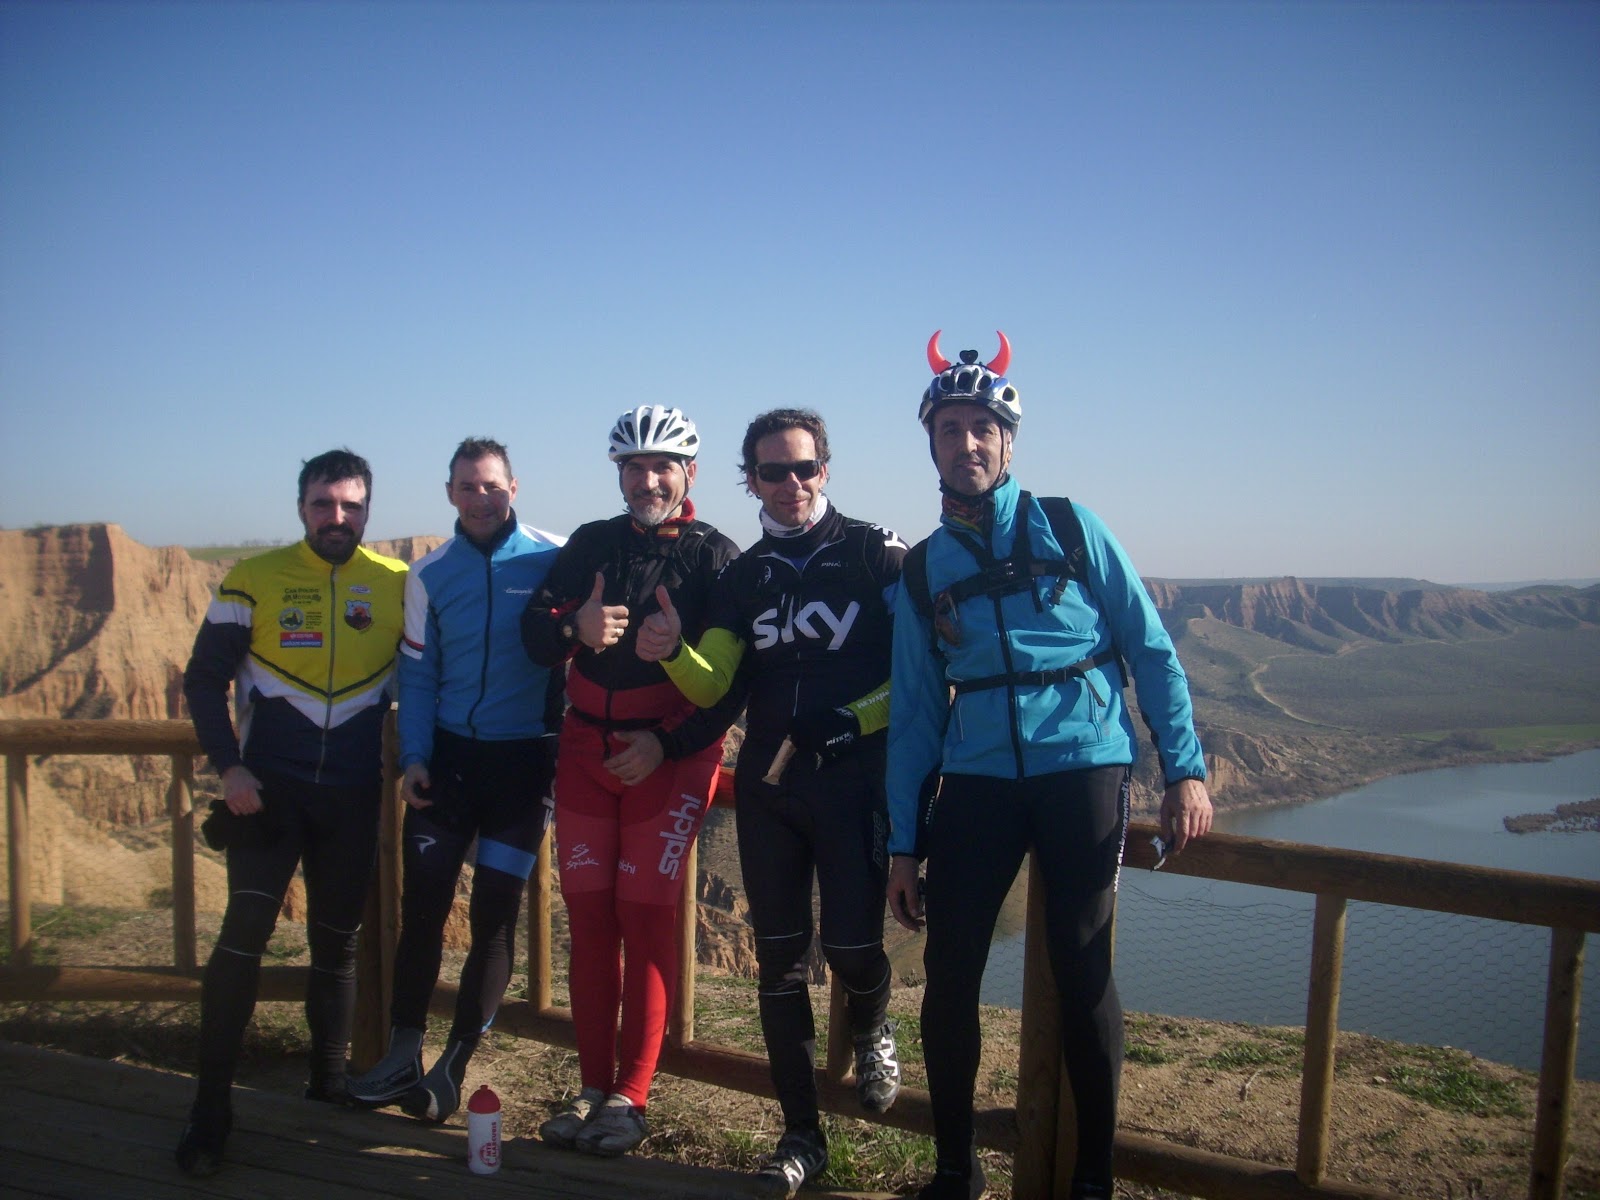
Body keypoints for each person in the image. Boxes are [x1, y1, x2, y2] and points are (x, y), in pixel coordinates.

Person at [885, 333, 1215, 1200]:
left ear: (1008, 440)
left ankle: (1091, 1181)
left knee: (1081, 967)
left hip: (1082, 770)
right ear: (932, 445)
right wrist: (902, 844)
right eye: (949, 430)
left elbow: (1150, 648)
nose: (967, 443)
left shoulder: (1070, 527)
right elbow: (915, 716)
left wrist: (1185, 768)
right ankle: (955, 1170)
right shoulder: (924, 571)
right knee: (950, 972)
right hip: (978, 780)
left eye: (982, 428)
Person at [636, 408, 905, 1197]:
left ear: (826, 469)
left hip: (853, 784)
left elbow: (922, 674)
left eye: (804, 468)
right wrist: (672, 655)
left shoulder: (876, 552)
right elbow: (715, 684)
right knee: (778, 966)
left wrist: (855, 719)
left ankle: (874, 1024)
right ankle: (800, 1135)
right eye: (772, 471)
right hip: (768, 789)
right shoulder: (743, 576)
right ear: (749, 479)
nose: (791, 484)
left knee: (851, 950)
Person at [519, 405, 744, 1158]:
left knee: (644, 920)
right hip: (585, 748)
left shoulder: (716, 558)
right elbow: (533, 634)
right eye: (634, 467)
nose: (648, 481)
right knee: (590, 922)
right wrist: (572, 629)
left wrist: (664, 743)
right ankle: (591, 1088)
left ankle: (631, 1097)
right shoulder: (591, 542)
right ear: (619, 474)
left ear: (690, 473)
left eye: (662, 467)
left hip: (667, 758)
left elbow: (730, 689)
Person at [176, 448, 408, 1175]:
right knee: (242, 940)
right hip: (267, 794)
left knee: (337, 946)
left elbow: (431, 678)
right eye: (322, 504)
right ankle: (210, 1113)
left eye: (350, 505)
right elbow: (203, 678)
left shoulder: (399, 583)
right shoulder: (254, 577)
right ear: (301, 507)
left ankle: (327, 1085)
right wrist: (230, 767)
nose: (337, 517)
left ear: (367, 510)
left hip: (352, 795)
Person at [346, 437, 563, 1122]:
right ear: (450, 493)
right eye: (468, 486)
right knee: (424, 913)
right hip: (448, 764)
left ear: (514, 488)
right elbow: (418, 671)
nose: (481, 498)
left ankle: (452, 1069)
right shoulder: (429, 573)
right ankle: (402, 1053)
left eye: (492, 485)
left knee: (494, 919)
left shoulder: (553, 556)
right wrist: (414, 757)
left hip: (524, 767)